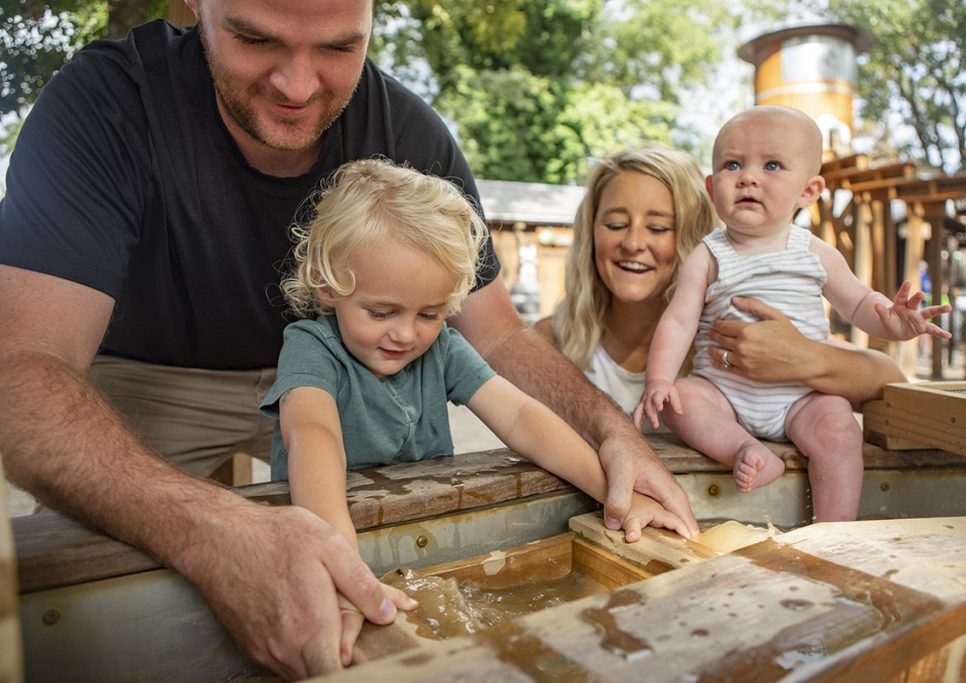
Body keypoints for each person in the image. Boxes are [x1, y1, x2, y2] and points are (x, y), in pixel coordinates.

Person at [0, 1, 696, 678]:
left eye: (338, 47)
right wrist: (309, 555)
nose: (298, 85)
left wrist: (613, 454)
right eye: (256, 39)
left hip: (344, 382)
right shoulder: (107, 102)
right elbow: (23, 367)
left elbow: (505, 361)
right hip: (154, 376)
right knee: (106, 588)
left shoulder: (413, 144)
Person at [261, 159, 689, 662]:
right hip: (327, 536)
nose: (406, 334)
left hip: (421, 537)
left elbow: (521, 417)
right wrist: (339, 562)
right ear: (327, 282)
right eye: (381, 312)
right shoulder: (311, 347)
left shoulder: (441, 347)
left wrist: (616, 496)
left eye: (430, 312)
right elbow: (313, 434)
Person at [633, 106, 951, 521]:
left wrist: (892, 322)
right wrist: (659, 381)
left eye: (771, 165)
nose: (748, 177)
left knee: (839, 428)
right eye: (733, 165)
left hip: (802, 397)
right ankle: (745, 449)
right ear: (712, 187)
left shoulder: (815, 252)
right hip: (724, 394)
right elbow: (679, 320)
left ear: (808, 191)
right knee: (681, 400)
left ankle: (834, 532)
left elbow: (858, 302)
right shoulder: (708, 255)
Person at [536, 144, 906, 424]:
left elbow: (892, 380)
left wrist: (803, 358)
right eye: (615, 225)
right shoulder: (550, 340)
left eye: (659, 228)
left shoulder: (735, 331)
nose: (633, 243)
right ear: (591, 233)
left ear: (695, 239)